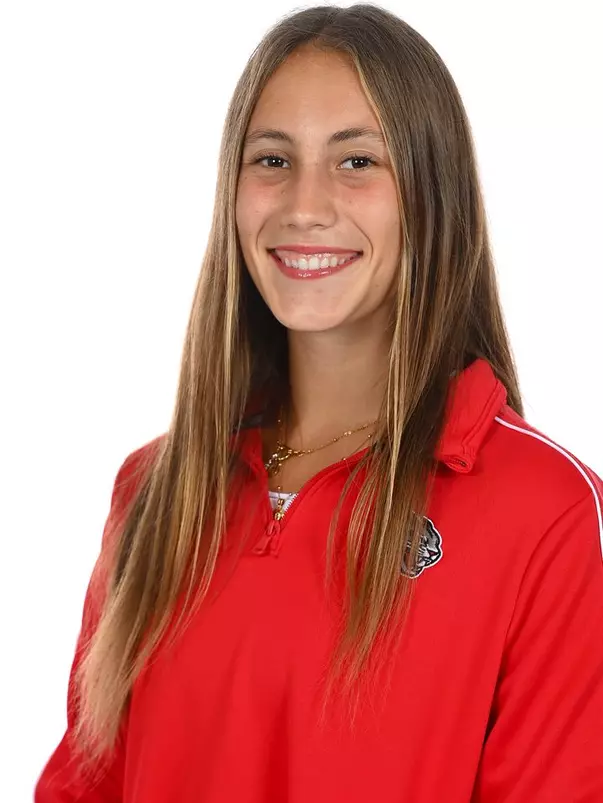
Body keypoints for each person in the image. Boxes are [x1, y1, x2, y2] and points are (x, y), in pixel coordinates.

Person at [35, 4, 603, 802]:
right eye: (271, 158)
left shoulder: (544, 510)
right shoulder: (154, 493)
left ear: (432, 194)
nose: (304, 205)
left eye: (356, 161)